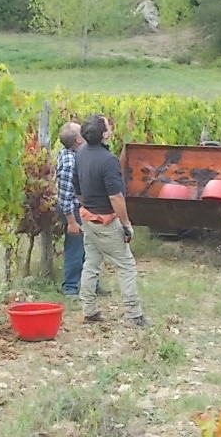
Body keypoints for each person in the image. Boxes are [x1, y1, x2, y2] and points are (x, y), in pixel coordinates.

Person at [73, 114, 149, 326]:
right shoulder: (109, 161)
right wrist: (126, 224)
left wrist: (89, 205)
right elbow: (115, 197)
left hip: (88, 218)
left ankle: (89, 310)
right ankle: (134, 315)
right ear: (105, 134)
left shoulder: (81, 153)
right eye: (108, 126)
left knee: (91, 263)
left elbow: (77, 187)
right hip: (106, 222)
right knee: (126, 266)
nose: (111, 128)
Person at [56, 122, 109, 297]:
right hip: (73, 212)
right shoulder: (70, 163)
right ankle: (70, 288)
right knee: (76, 249)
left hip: (83, 210)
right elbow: (64, 196)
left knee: (90, 249)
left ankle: (91, 284)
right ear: (79, 140)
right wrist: (71, 222)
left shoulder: (76, 155)